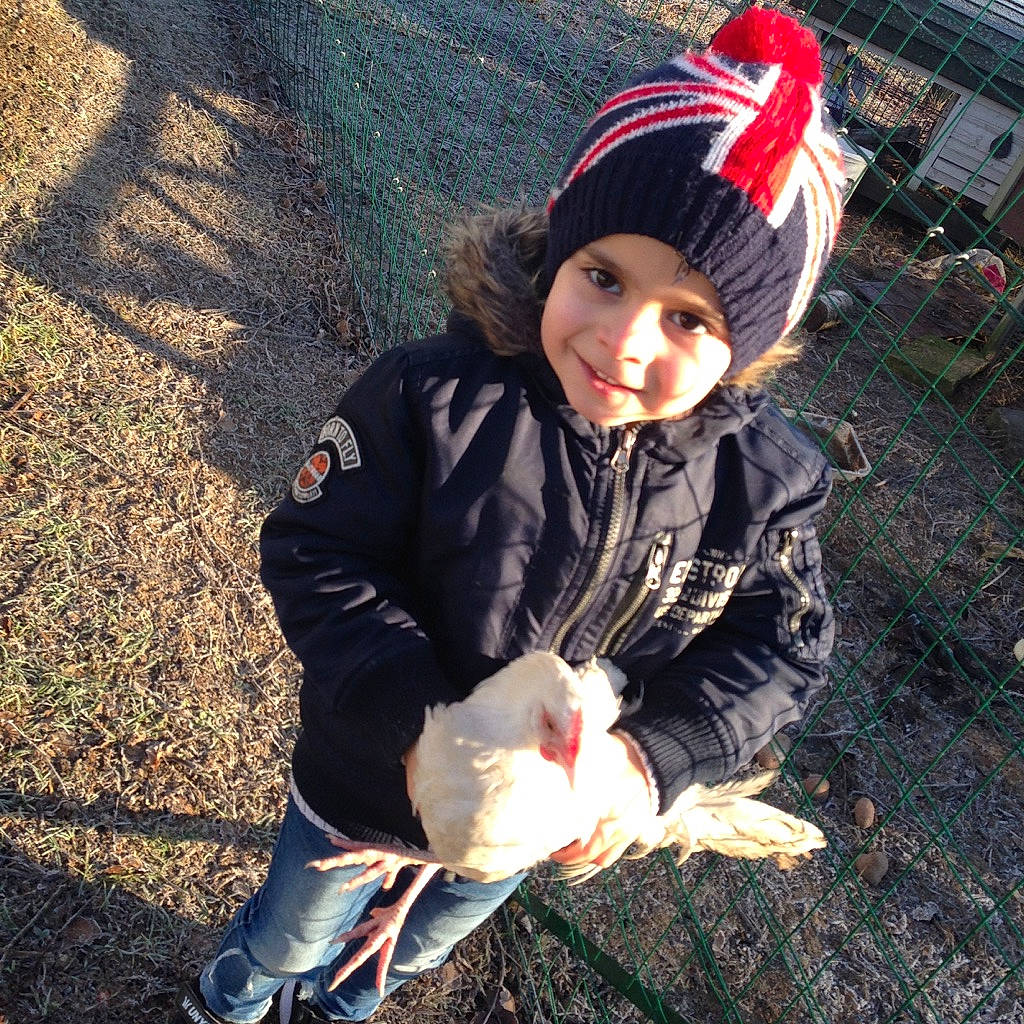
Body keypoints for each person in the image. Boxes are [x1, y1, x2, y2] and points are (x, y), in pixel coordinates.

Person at [174, 6, 845, 1023]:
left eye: (688, 318)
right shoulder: (434, 395)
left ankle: (345, 1002)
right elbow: (320, 548)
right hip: (369, 773)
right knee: (298, 924)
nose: (624, 340)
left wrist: (645, 760)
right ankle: (244, 986)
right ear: (560, 244)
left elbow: (783, 645)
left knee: (422, 939)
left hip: (535, 821)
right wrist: (419, 727)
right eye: (603, 278)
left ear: (749, 343)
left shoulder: (763, 483)